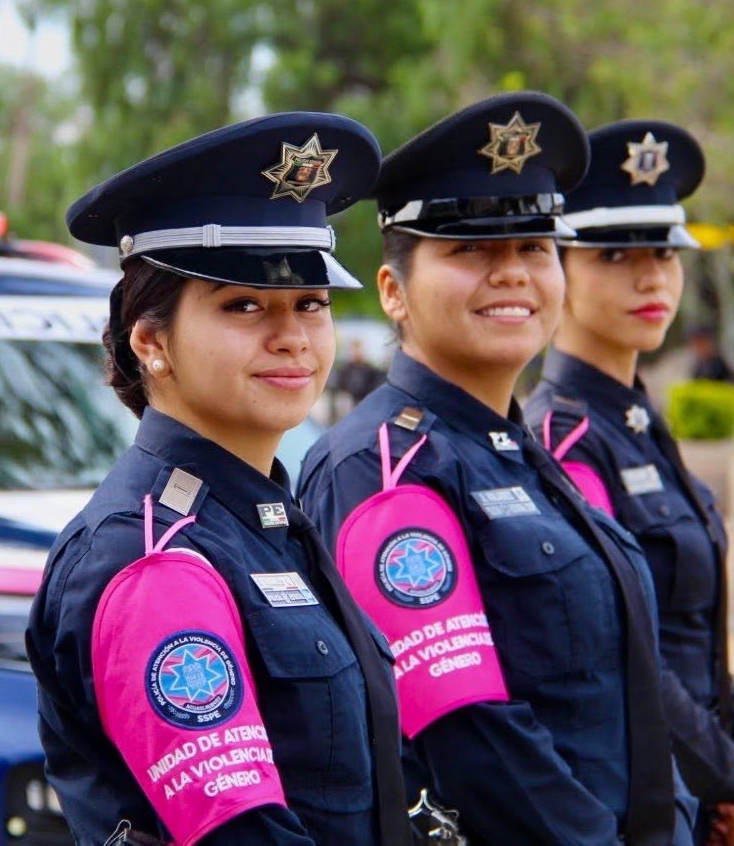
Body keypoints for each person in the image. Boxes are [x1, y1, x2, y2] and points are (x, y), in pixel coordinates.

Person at [298, 91, 695, 845]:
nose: (511, 273)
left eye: (533, 248)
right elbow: (472, 740)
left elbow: (628, 695)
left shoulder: (516, 445)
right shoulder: (382, 468)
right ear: (393, 292)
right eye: (471, 250)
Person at [27, 113, 412, 845]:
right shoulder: (156, 559)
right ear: (152, 341)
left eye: (311, 304)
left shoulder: (260, 514)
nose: (292, 336)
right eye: (244, 305)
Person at [522, 120, 734, 846]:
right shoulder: (564, 440)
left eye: (665, 253)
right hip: (647, 802)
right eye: (615, 255)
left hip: (702, 792)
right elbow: (623, 654)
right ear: (557, 268)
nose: (652, 278)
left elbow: (691, 641)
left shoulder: (639, 421)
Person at [330, 338, 386, 419]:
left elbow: (374, 385)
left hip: (364, 400)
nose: (356, 353)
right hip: (349, 402)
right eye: (353, 350)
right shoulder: (346, 369)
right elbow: (340, 386)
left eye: (358, 350)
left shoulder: (369, 369)